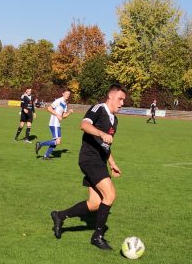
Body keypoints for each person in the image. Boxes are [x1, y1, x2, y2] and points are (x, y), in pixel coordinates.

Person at [50, 84, 126, 251]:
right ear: (110, 96)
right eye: (120, 99)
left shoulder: (115, 120)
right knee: (110, 194)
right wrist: (100, 133)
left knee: (94, 204)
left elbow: (105, 145)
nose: (122, 103)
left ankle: (60, 216)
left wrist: (112, 163)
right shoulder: (99, 108)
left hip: (100, 161)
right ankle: (97, 236)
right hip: (89, 159)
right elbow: (83, 125)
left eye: (123, 100)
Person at [35, 90, 73, 160]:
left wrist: (69, 112)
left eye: (69, 94)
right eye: (66, 94)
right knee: (57, 141)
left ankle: (46, 156)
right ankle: (40, 144)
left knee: (57, 141)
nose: (67, 95)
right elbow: (49, 108)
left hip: (57, 124)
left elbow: (64, 116)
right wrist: (57, 115)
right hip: (54, 123)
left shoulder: (65, 104)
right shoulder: (58, 100)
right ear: (63, 94)